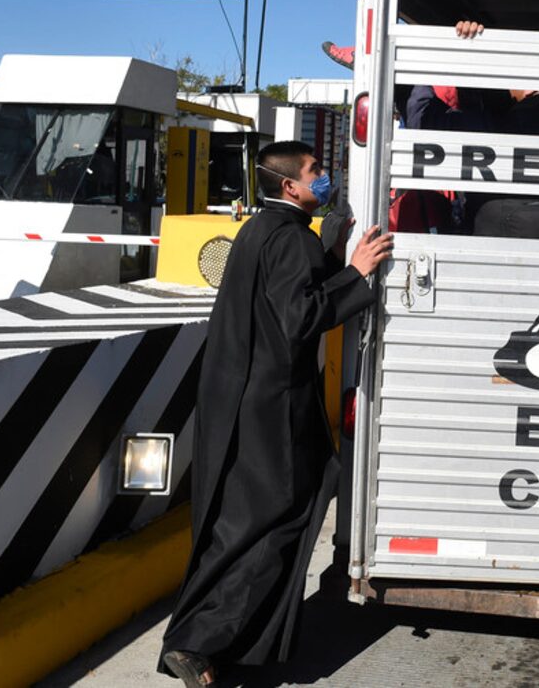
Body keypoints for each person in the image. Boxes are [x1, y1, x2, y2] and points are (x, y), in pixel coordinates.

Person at [159, 141, 393, 687]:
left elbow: (289, 294)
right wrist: (357, 274)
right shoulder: (290, 240)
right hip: (272, 409)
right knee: (279, 522)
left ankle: (203, 643)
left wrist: (333, 251)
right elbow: (300, 316)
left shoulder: (262, 230)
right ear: (291, 186)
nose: (324, 177)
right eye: (315, 172)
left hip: (237, 400)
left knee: (238, 525)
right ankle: (200, 642)